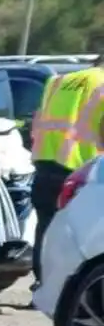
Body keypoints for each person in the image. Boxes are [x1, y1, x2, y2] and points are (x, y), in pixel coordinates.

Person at [30, 62, 104, 282]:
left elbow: (37, 120)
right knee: (83, 238)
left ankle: (42, 284)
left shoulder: (57, 81)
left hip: (45, 164)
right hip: (83, 172)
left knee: (46, 229)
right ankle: (73, 291)